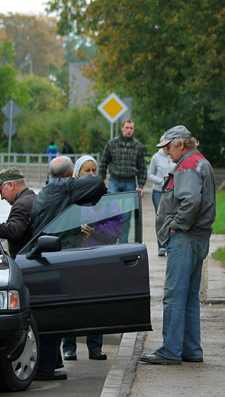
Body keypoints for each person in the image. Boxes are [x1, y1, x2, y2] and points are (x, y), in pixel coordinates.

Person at [140, 125, 216, 365]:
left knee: (174, 295)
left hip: (185, 237)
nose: (165, 152)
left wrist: (175, 226)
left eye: (168, 147)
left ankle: (170, 350)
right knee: (190, 297)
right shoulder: (200, 162)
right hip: (198, 237)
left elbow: (190, 201)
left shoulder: (187, 165)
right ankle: (191, 349)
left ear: (181, 144)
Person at [30, 156, 107, 380]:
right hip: (53, 258)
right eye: (85, 171)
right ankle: (46, 367)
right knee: (53, 312)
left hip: (47, 256)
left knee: (52, 310)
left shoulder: (47, 189)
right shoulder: (63, 187)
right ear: (70, 174)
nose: (91, 174)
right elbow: (98, 184)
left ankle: (52, 361)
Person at [61, 155, 120, 362]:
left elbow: (117, 227)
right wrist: (76, 231)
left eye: (95, 171)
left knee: (97, 304)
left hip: (98, 257)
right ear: (77, 174)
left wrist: (96, 231)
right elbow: (57, 225)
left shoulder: (107, 198)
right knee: (71, 302)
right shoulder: (68, 196)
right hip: (72, 257)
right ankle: (69, 346)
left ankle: (95, 346)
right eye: (88, 171)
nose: (92, 174)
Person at [98, 119, 147, 243]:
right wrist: (100, 182)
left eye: (131, 128)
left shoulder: (138, 146)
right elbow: (103, 163)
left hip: (130, 182)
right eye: (127, 128)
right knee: (109, 212)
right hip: (114, 181)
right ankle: (109, 239)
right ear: (122, 128)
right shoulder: (112, 144)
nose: (129, 130)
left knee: (126, 216)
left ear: (133, 130)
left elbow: (142, 167)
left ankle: (123, 242)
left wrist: (141, 186)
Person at [0, 168, 37, 257]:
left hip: (23, 260)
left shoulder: (21, 204)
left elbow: (13, 231)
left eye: (1, 192)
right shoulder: (34, 199)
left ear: (10, 185)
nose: (2, 197)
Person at [148, 137, 176, 256]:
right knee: (161, 218)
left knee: (171, 218)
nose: (166, 147)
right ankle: (161, 246)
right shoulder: (156, 157)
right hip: (159, 192)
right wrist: (161, 181)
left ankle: (170, 244)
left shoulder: (174, 156)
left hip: (172, 192)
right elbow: (150, 174)